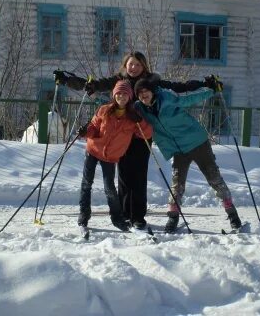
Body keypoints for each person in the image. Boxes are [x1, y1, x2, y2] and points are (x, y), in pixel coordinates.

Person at [54, 51, 206, 230]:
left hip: (141, 133)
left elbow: (178, 87)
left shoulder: (150, 81)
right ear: (125, 65)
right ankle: (125, 214)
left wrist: (204, 84)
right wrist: (66, 80)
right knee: (124, 176)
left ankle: (138, 216)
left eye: (138, 65)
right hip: (121, 136)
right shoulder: (119, 80)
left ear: (144, 67)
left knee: (138, 176)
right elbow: (93, 85)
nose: (133, 68)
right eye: (131, 64)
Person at [133, 76, 243, 233]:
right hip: (178, 149)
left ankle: (232, 213)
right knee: (177, 184)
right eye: (140, 93)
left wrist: (211, 91)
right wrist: (95, 97)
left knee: (214, 178)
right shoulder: (139, 108)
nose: (144, 95)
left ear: (152, 91)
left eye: (146, 91)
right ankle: (173, 216)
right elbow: (117, 105)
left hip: (197, 142)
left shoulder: (167, 98)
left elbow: (190, 98)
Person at [76, 80, 153, 231]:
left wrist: (141, 122)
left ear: (129, 97)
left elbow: (147, 133)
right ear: (114, 95)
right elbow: (93, 127)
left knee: (109, 188)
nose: (122, 96)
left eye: (125, 94)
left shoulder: (132, 117)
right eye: (119, 93)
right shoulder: (104, 110)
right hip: (93, 150)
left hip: (110, 157)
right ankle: (84, 214)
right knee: (86, 184)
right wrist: (85, 132)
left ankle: (117, 218)